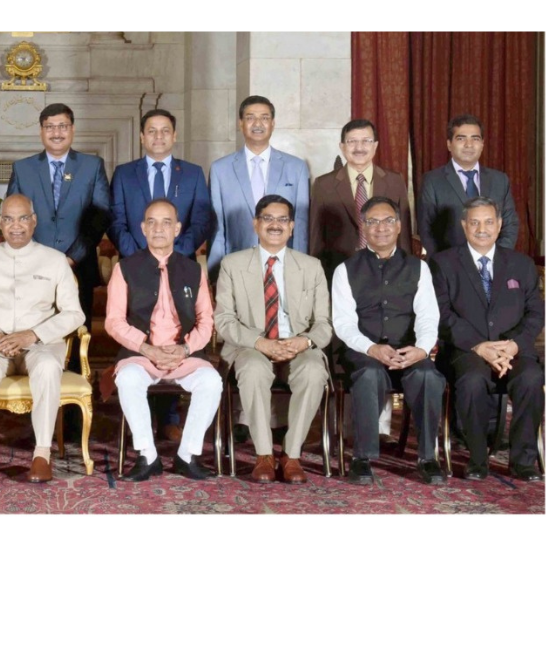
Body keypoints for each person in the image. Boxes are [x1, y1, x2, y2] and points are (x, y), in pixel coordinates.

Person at [0, 193, 85, 483]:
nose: (16, 226)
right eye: (9, 219)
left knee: (50, 368)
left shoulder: (55, 260)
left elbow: (75, 314)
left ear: (34, 221)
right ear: (0, 223)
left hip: (40, 345)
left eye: (23, 218)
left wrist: (33, 335)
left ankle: (42, 454)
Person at [214, 195, 332, 484]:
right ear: (256, 224)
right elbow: (224, 320)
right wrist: (260, 343)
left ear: (292, 227)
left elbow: (325, 324)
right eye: (268, 218)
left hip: (298, 345)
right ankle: (264, 455)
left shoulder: (311, 266)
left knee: (315, 370)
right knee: (253, 369)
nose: (275, 225)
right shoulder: (232, 264)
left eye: (282, 220)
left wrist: (304, 342)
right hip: (250, 346)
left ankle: (292, 456)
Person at [103, 199, 223, 481]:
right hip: (141, 354)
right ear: (143, 228)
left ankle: (187, 455)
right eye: (152, 222)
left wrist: (185, 348)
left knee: (211, 382)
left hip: (185, 354)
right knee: (128, 379)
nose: (159, 229)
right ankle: (148, 455)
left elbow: (207, 321)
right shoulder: (125, 269)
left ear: (178, 229)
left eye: (166, 222)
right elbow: (114, 321)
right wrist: (147, 349)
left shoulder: (194, 270)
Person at [331, 196, 446, 485]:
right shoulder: (345, 270)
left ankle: (427, 457)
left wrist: (421, 349)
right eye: (372, 222)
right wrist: (371, 348)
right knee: (369, 373)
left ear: (398, 227)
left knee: (429, 377)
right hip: (363, 351)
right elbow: (343, 324)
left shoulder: (419, 268)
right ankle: (362, 457)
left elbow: (428, 316)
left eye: (387, 221)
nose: (380, 228)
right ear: (363, 227)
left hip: (408, 350)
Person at [432, 197, 544, 481]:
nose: (482, 229)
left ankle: (522, 461)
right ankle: (477, 458)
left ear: (500, 224)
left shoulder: (521, 264)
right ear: (463, 225)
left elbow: (536, 312)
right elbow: (441, 314)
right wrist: (479, 345)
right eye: (474, 222)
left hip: (514, 351)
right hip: (467, 351)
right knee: (471, 381)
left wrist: (514, 344)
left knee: (531, 378)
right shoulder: (443, 263)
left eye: (489, 222)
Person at [6, 102, 110, 323]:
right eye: (49, 127)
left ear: (72, 129)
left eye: (62, 126)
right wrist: (35, 255)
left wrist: (72, 258)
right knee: (32, 329)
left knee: (77, 331)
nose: (56, 133)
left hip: (79, 265)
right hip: (31, 265)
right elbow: (12, 218)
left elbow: (100, 215)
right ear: (41, 131)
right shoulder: (22, 168)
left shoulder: (92, 166)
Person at [207, 96, 311, 281]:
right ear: (241, 123)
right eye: (250, 117)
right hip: (236, 267)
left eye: (264, 117)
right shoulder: (220, 169)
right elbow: (218, 229)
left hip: (283, 266)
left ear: (273, 123)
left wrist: (300, 270)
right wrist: (215, 274)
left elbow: (301, 226)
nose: (257, 123)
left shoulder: (297, 168)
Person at [310, 118, 412, 281]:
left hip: (388, 273)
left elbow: (404, 235)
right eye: (352, 142)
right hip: (339, 273)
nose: (359, 148)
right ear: (342, 147)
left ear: (375, 145)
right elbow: (316, 239)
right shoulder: (324, 185)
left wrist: (406, 273)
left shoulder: (394, 181)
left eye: (366, 141)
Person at [109, 109, 212, 260]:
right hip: (133, 264)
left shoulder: (193, 174)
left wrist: (173, 256)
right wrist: (139, 257)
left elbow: (201, 222)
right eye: (152, 131)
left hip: (181, 263)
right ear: (142, 137)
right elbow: (115, 222)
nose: (159, 136)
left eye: (165, 131)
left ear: (174, 136)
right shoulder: (123, 174)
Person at [417, 113, 519, 258]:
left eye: (475, 139)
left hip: (492, 267)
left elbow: (510, 225)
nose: (469, 145)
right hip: (449, 268)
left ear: (482, 144)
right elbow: (426, 229)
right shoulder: (432, 180)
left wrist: (494, 259)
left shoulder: (500, 180)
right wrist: (449, 265)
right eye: (461, 138)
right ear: (449, 144)